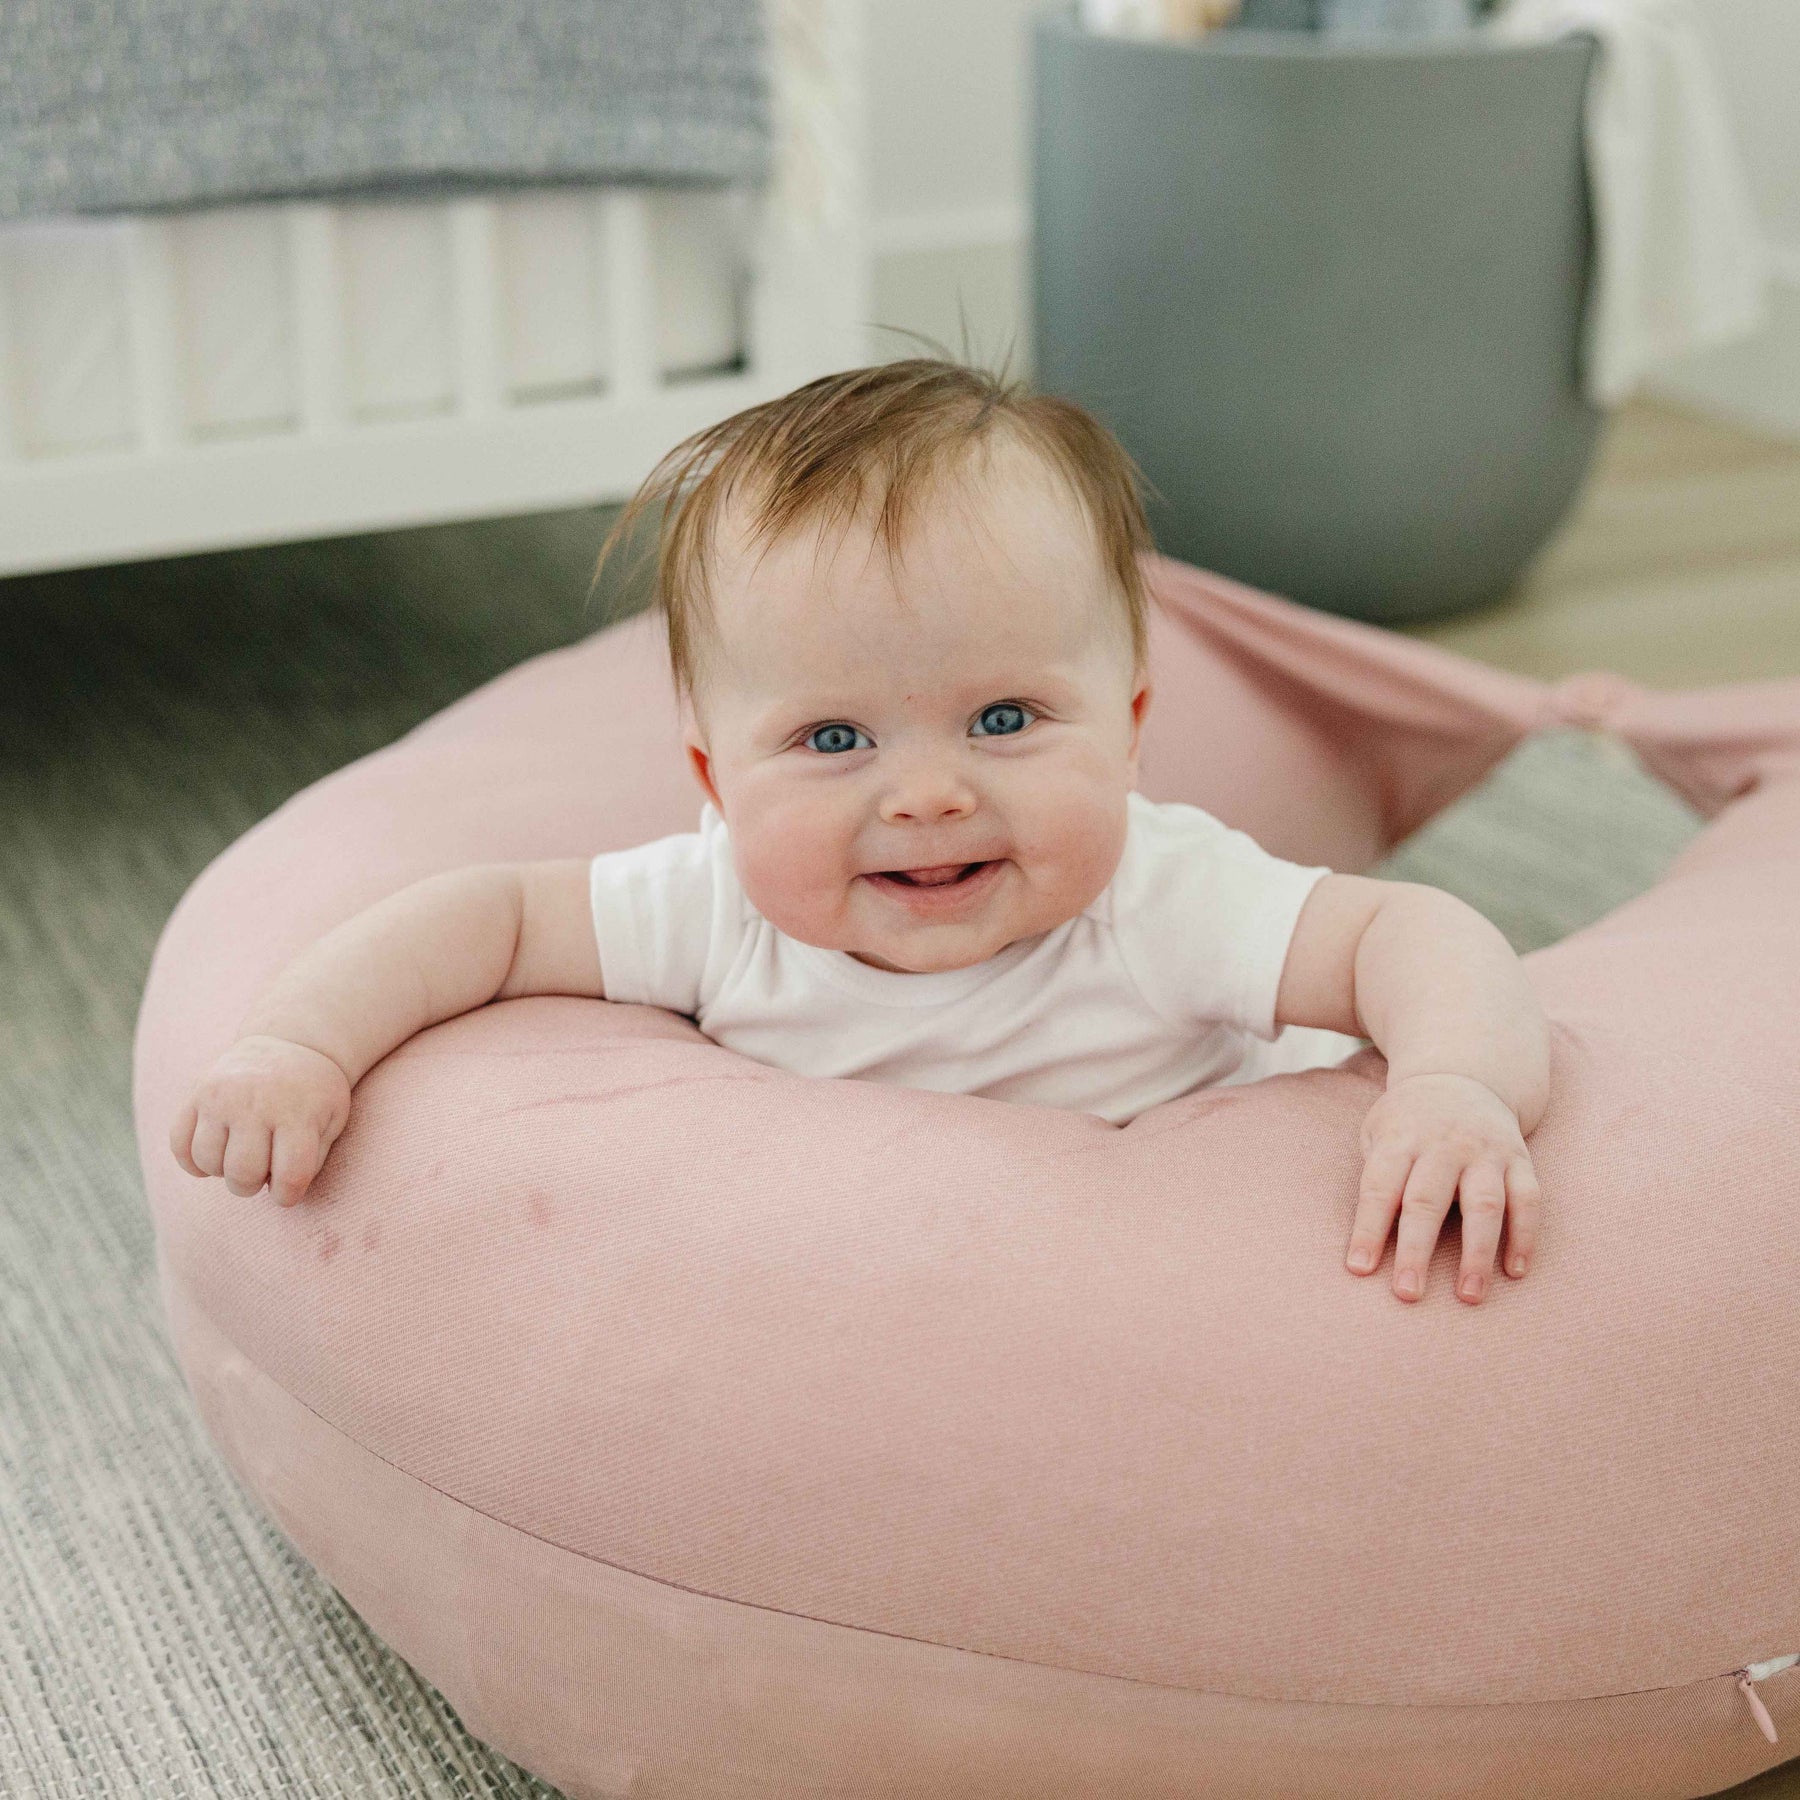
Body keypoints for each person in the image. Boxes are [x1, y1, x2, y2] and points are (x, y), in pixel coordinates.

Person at [170, 360, 1548, 1306]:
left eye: (1006, 718)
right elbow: (492, 918)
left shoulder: (1156, 899)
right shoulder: (721, 908)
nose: (927, 795)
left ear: (1131, 728)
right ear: (714, 777)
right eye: (834, 742)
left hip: (1175, 1271)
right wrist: (302, 1041)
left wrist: (1453, 1084)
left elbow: (1408, 931)